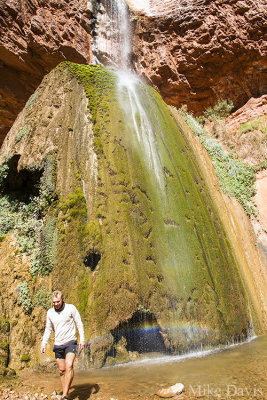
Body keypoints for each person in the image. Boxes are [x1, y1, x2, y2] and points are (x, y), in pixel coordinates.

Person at [41, 290, 85, 400]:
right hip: (58, 343)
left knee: (69, 365)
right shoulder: (50, 313)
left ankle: (65, 395)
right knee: (61, 370)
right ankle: (67, 392)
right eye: (54, 302)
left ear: (62, 299)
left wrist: (82, 339)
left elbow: (79, 323)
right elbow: (48, 329)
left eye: (58, 301)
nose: (56, 304)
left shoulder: (71, 308)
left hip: (71, 341)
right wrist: (43, 343)